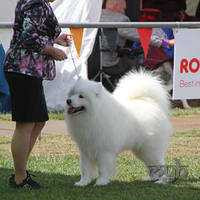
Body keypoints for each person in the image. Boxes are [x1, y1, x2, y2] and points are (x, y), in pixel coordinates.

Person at [3, 0, 72, 189]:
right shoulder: (36, 4)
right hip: (24, 69)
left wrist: (56, 39)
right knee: (25, 123)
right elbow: (29, 37)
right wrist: (54, 51)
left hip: (28, 70)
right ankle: (19, 178)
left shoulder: (34, 2)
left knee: (38, 120)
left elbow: (36, 29)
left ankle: (21, 171)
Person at [92, 0, 175, 91]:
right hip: (110, 63)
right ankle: (135, 92)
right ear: (116, 6)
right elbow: (140, 36)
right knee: (137, 63)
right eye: (124, 9)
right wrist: (166, 42)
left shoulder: (95, 16)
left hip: (91, 62)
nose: (125, 11)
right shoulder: (120, 19)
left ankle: (112, 86)